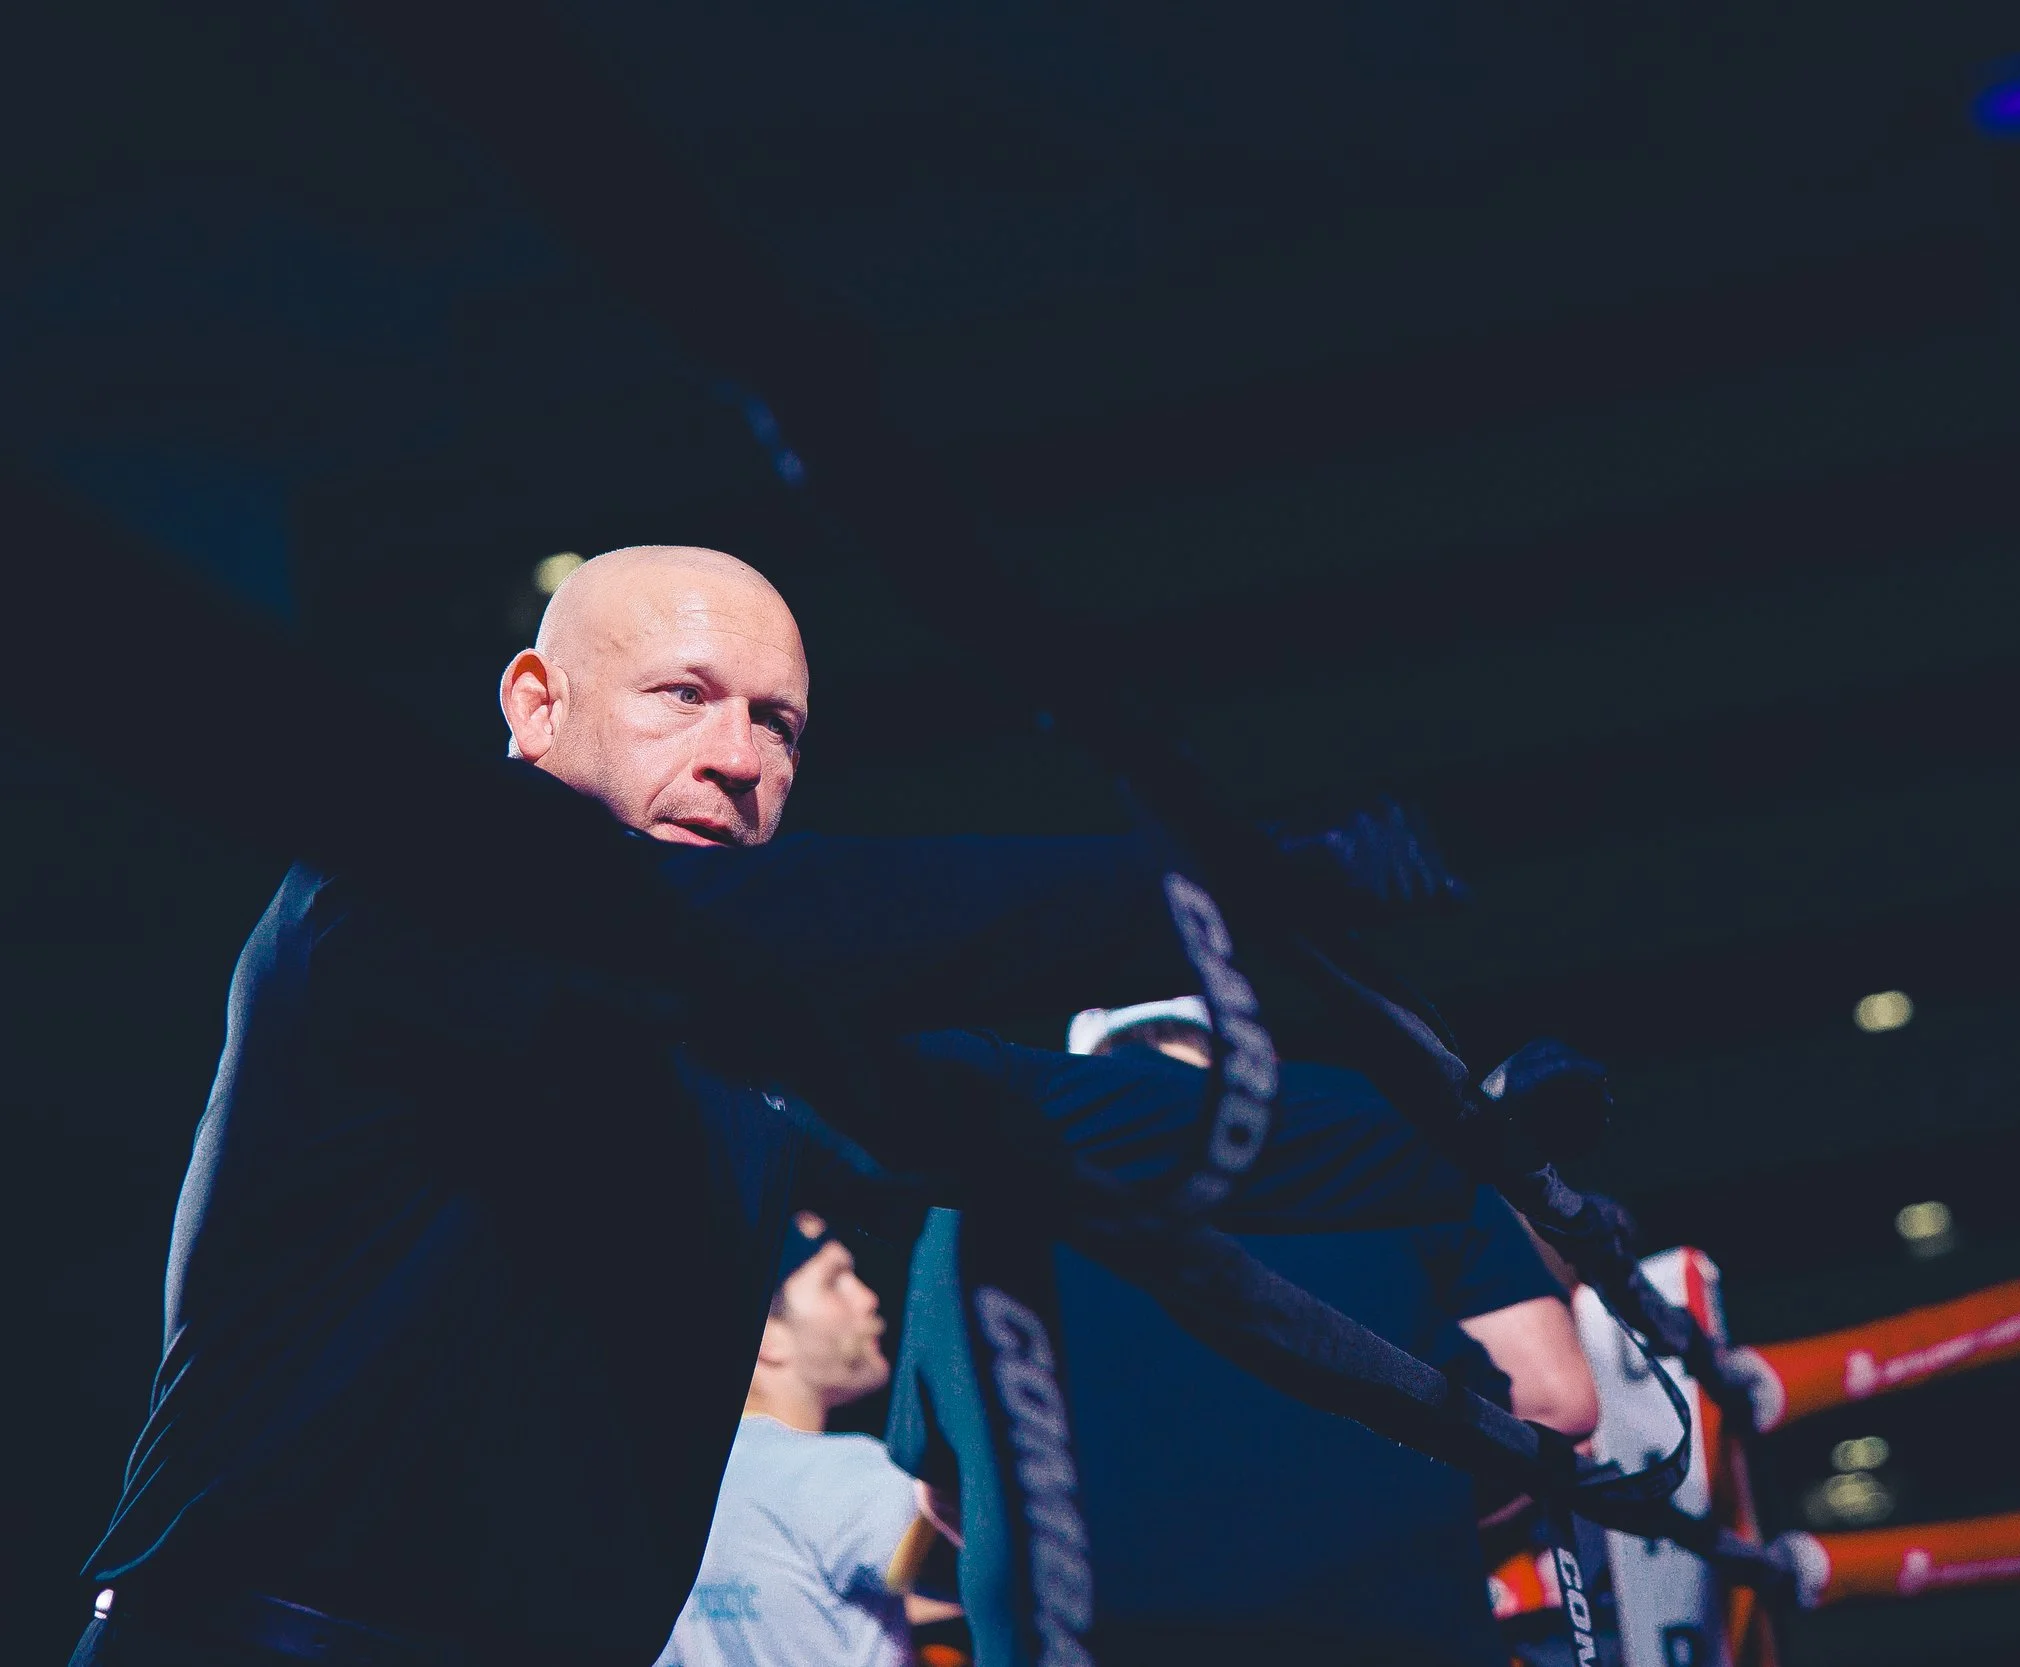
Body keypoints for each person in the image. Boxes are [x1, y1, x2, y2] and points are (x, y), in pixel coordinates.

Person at [70, 546, 1467, 1667]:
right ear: (536, 703)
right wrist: (1227, 886)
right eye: (685, 693)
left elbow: (1053, 1108)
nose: (743, 755)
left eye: (778, 721)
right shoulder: (411, 883)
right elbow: (803, 923)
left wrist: (1458, 1132)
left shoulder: (742, 1024)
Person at [891, 997, 1600, 1667]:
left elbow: (946, 1486)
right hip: (1391, 1634)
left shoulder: (974, 1192)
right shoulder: (1379, 1126)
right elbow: (1554, 1401)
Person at [657, 1217, 923, 1667]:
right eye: (835, 1281)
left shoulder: (668, 1492)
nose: (867, 1297)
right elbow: (1017, 1571)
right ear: (766, 1337)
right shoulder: (829, 1473)